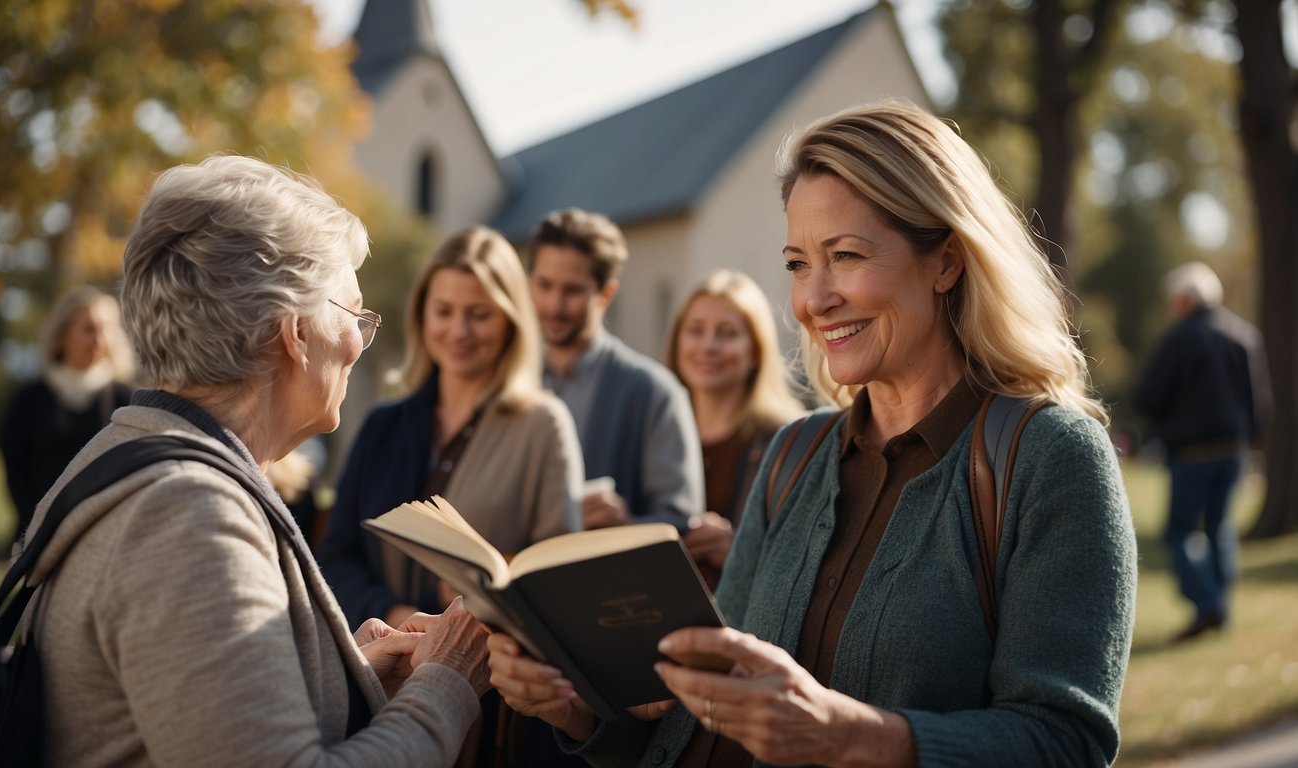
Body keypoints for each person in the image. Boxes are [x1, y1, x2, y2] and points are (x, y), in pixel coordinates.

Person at [488, 100, 1138, 766]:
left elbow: (1067, 743)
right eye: (799, 264)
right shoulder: (795, 455)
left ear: (946, 261)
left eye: (846, 256)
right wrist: (575, 709)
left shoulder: (1050, 458)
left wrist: (848, 735)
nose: (814, 299)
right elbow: (705, 720)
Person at [25, 156, 490, 765]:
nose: (357, 342)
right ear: (296, 333)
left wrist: (343, 679)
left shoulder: (123, 451)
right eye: (353, 314)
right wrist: (446, 683)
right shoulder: (188, 516)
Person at [318, 226, 585, 768]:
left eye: (479, 314)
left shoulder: (543, 425)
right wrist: (399, 618)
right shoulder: (382, 424)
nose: (458, 330)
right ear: (422, 316)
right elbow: (337, 553)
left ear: (510, 321)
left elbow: (562, 574)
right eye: (444, 310)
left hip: (495, 707)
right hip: (383, 675)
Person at [526, 208, 703, 531]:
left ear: (606, 294)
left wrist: (625, 523)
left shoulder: (654, 392)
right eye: (545, 285)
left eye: (572, 291)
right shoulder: (514, 381)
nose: (555, 305)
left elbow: (681, 520)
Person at [1132, 261, 1270, 643]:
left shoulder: (1181, 338)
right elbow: (1259, 400)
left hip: (1192, 452)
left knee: (1179, 532)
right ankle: (1218, 607)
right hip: (1234, 448)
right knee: (1220, 528)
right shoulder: (1244, 335)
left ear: (1184, 299)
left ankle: (1210, 604)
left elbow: (1148, 396)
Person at [665, 269, 806, 587]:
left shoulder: (789, 441)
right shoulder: (653, 433)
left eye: (727, 333)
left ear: (755, 350)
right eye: (695, 330)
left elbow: (804, 562)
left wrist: (738, 551)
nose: (708, 346)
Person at [0, 286, 135, 546]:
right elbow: (15, 472)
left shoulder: (127, 400)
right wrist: (42, 526)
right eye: (89, 329)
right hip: (36, 539)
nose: (100, 339)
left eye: (107, 329)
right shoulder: (28, 400)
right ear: (62, 335)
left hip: (109, 541)